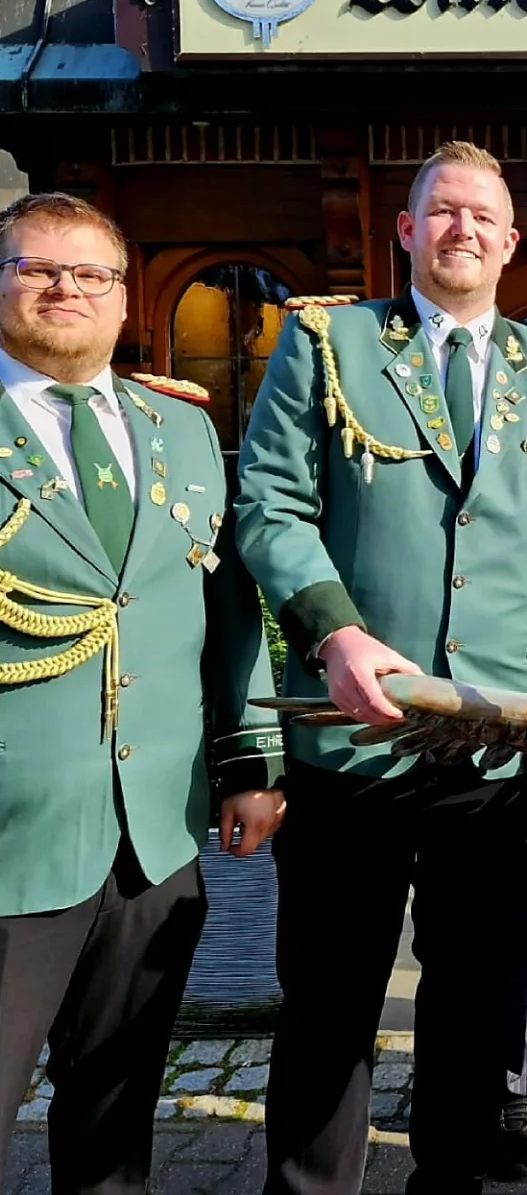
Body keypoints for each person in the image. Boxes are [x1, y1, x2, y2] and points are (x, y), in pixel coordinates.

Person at [235, 142, 527, 1195]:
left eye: (481, 217)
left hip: (495, 755)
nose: (462, 230)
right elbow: (269, 506)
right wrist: (334, 631)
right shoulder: (330, 342)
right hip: (351, 736)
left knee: (472, 1001)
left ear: (511, 242)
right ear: (405, 231)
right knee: (330, 1001)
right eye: (441, 212)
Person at [0, 193, 284, 1194]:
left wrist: (249, 764)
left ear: (126, 301)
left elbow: (228, 612)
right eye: (37, 267)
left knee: (116, 1121)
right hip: (10, 838)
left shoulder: (183, 434)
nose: (65, 287)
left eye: (92, 273)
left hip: (154, 835)